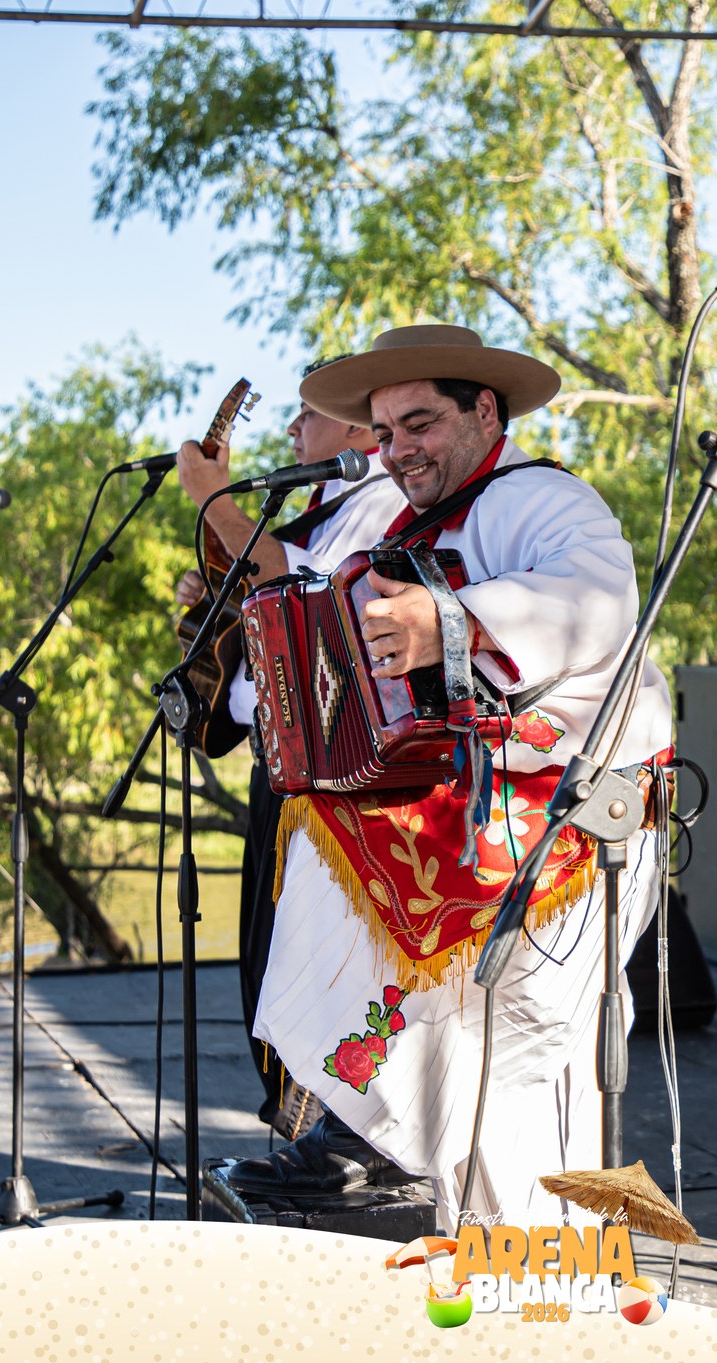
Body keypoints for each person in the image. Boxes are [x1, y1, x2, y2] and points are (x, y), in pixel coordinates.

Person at [187, 325, 672, 1224]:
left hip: (567, 829)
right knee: (471, 1075)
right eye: (385, 434)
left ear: (484, 411)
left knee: (526, 1077)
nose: (399, 450)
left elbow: (597, 601)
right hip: (481, 824)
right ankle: (437, 1202)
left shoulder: (550, 500)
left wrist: (451, 620)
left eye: (420, 424)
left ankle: (534, 1285)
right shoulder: (412, 524)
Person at [176, 360, 405, 1137]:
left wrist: (215, 501)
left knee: (305, 964)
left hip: (333, 781)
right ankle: (290, 1125)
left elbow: (306, 587)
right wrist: (218, 595)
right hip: (280, 767)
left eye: (305, 415)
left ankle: (322, 1134)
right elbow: (270, 587)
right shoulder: (317, 511)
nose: (291, 432)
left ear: (350, 429)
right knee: (263, 961)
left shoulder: (381, 503)